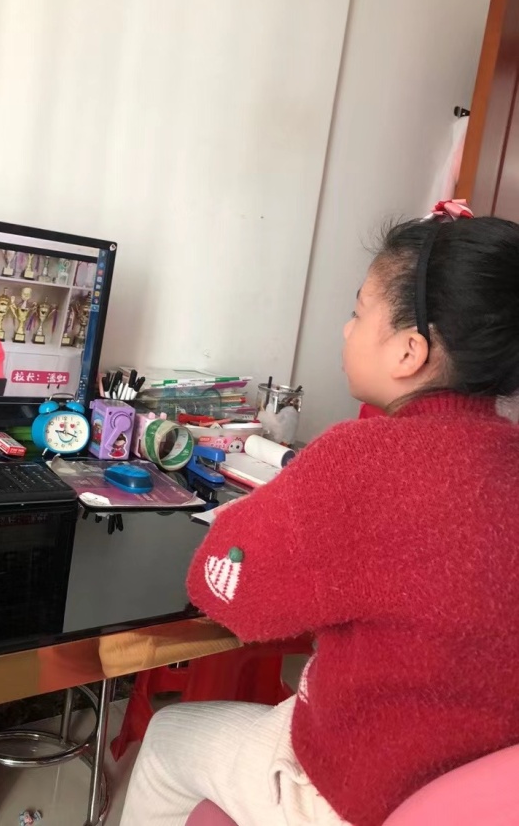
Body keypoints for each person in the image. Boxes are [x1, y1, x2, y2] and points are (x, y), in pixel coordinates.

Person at [120, 203, 519, 826]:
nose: (345, 329)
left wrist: (251, 517)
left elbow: (226, 593)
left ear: (409, 351)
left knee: (170, 738)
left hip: (357, 792)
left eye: (358, 312)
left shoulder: (361, 459)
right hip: (470, 786)